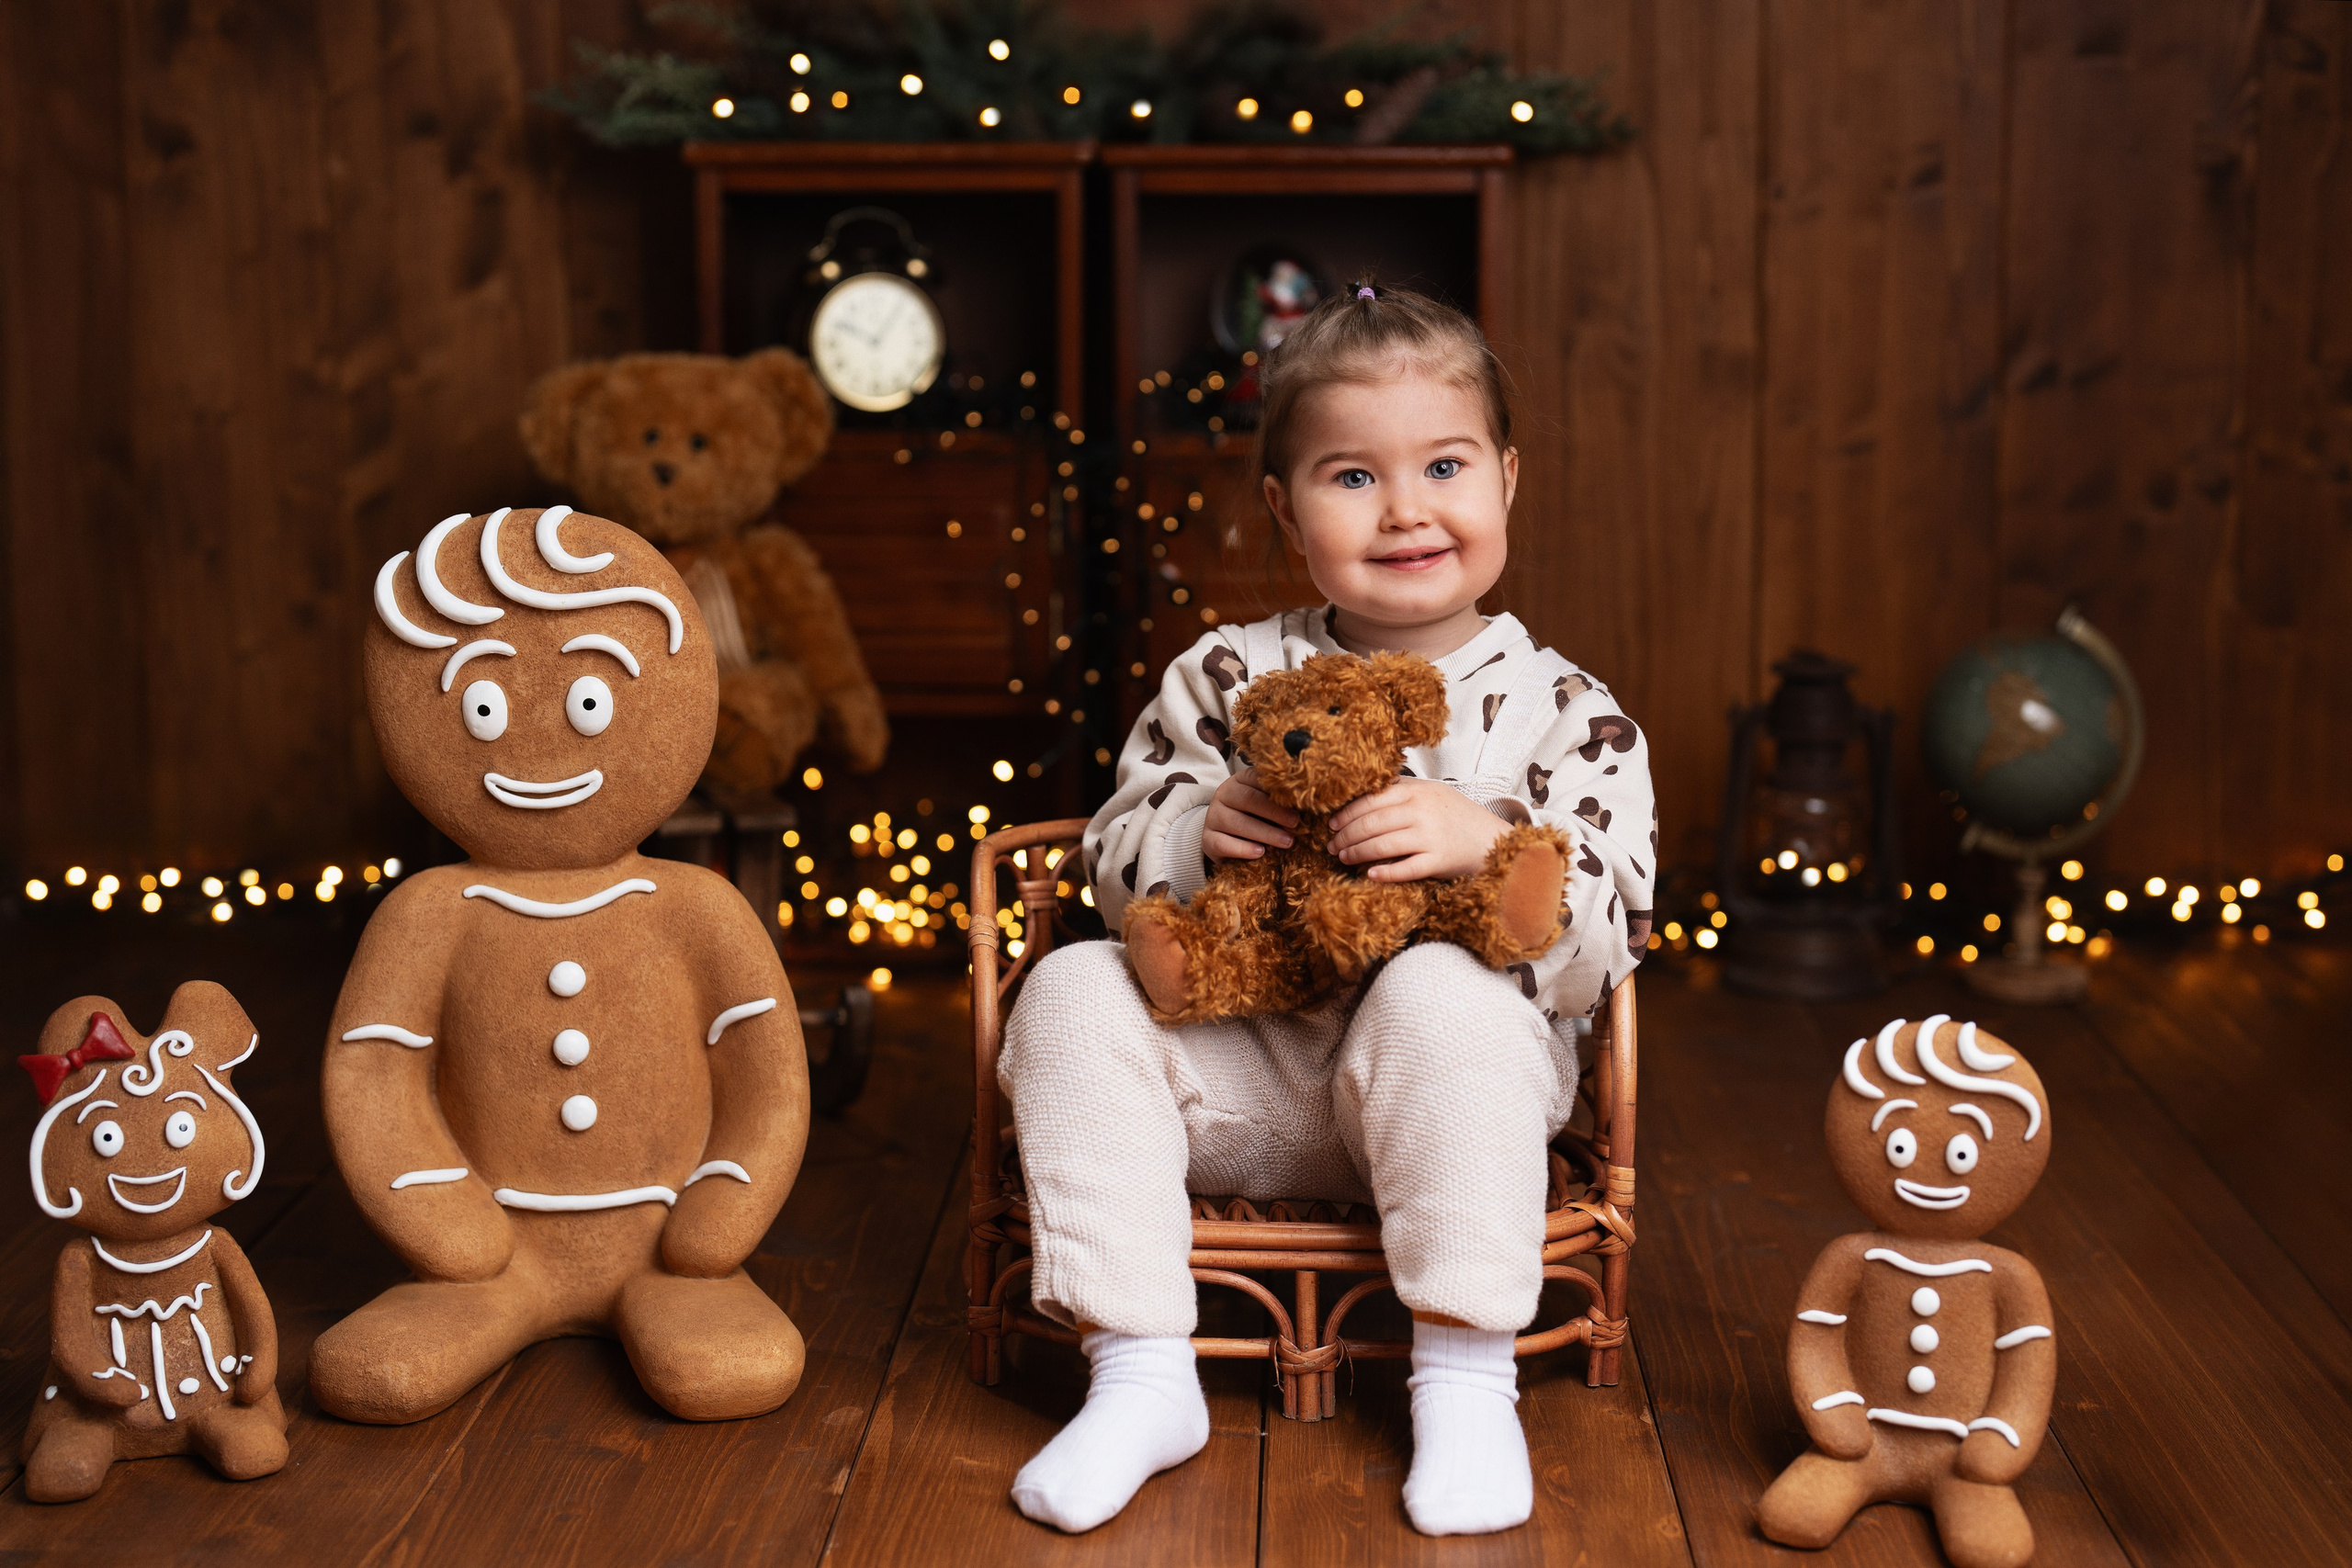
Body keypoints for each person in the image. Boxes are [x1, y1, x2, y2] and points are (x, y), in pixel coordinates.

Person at [1000, 283, 1656, 1536]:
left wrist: (1490, 850)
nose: (1407, 508)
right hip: (1240, 1085)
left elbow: (1607, 939)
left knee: (1434, 990)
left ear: (1507, 480)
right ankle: (1138, 1370)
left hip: (1458, 1108)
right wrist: (1192, 837)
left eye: (1445, 466)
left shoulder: (1571, 710)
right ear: (1282, 509)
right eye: (1352, 477)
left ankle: (1465, 1376)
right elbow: (1110, 856)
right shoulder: (1232, 674)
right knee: (1074, 984)